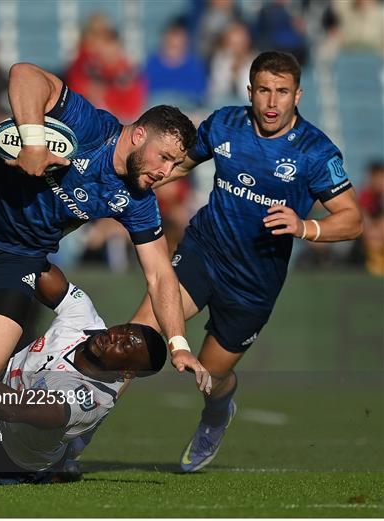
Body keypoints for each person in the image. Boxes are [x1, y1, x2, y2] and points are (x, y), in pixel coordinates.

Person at [0, 61, 206, 486]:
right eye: (165, 158)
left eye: (174, 165)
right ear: (138, 135)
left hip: (20, 254)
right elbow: (24, 74)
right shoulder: (92, 128)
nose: (166, 172)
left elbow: (160, 276)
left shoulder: (138, 200)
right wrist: (35, 140)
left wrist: (178, 344)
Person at [132, 51, 363, 472]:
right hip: (203, 251)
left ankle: (216, 415)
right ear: (250, 91)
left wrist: (304, 227)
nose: (272, 103)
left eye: (282, 92)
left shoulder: (315, 151)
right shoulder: (224, 123)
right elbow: (182, 162)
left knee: (212, 378)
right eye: (263, 91)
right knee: (138, 339)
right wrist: (140, 177)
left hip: (253, 284)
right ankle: (72, 440)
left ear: (298, 94)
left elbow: (352, 220)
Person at [0, 267, 167, 485]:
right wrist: (23, 246)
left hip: (13, 452)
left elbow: (18, 409)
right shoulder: (85, 318)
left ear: (127, 371)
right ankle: (66, 457)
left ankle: (50, 470)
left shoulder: (89, 397)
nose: (114, 337)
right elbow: (47, 277)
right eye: (122, 330)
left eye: (125, 346)